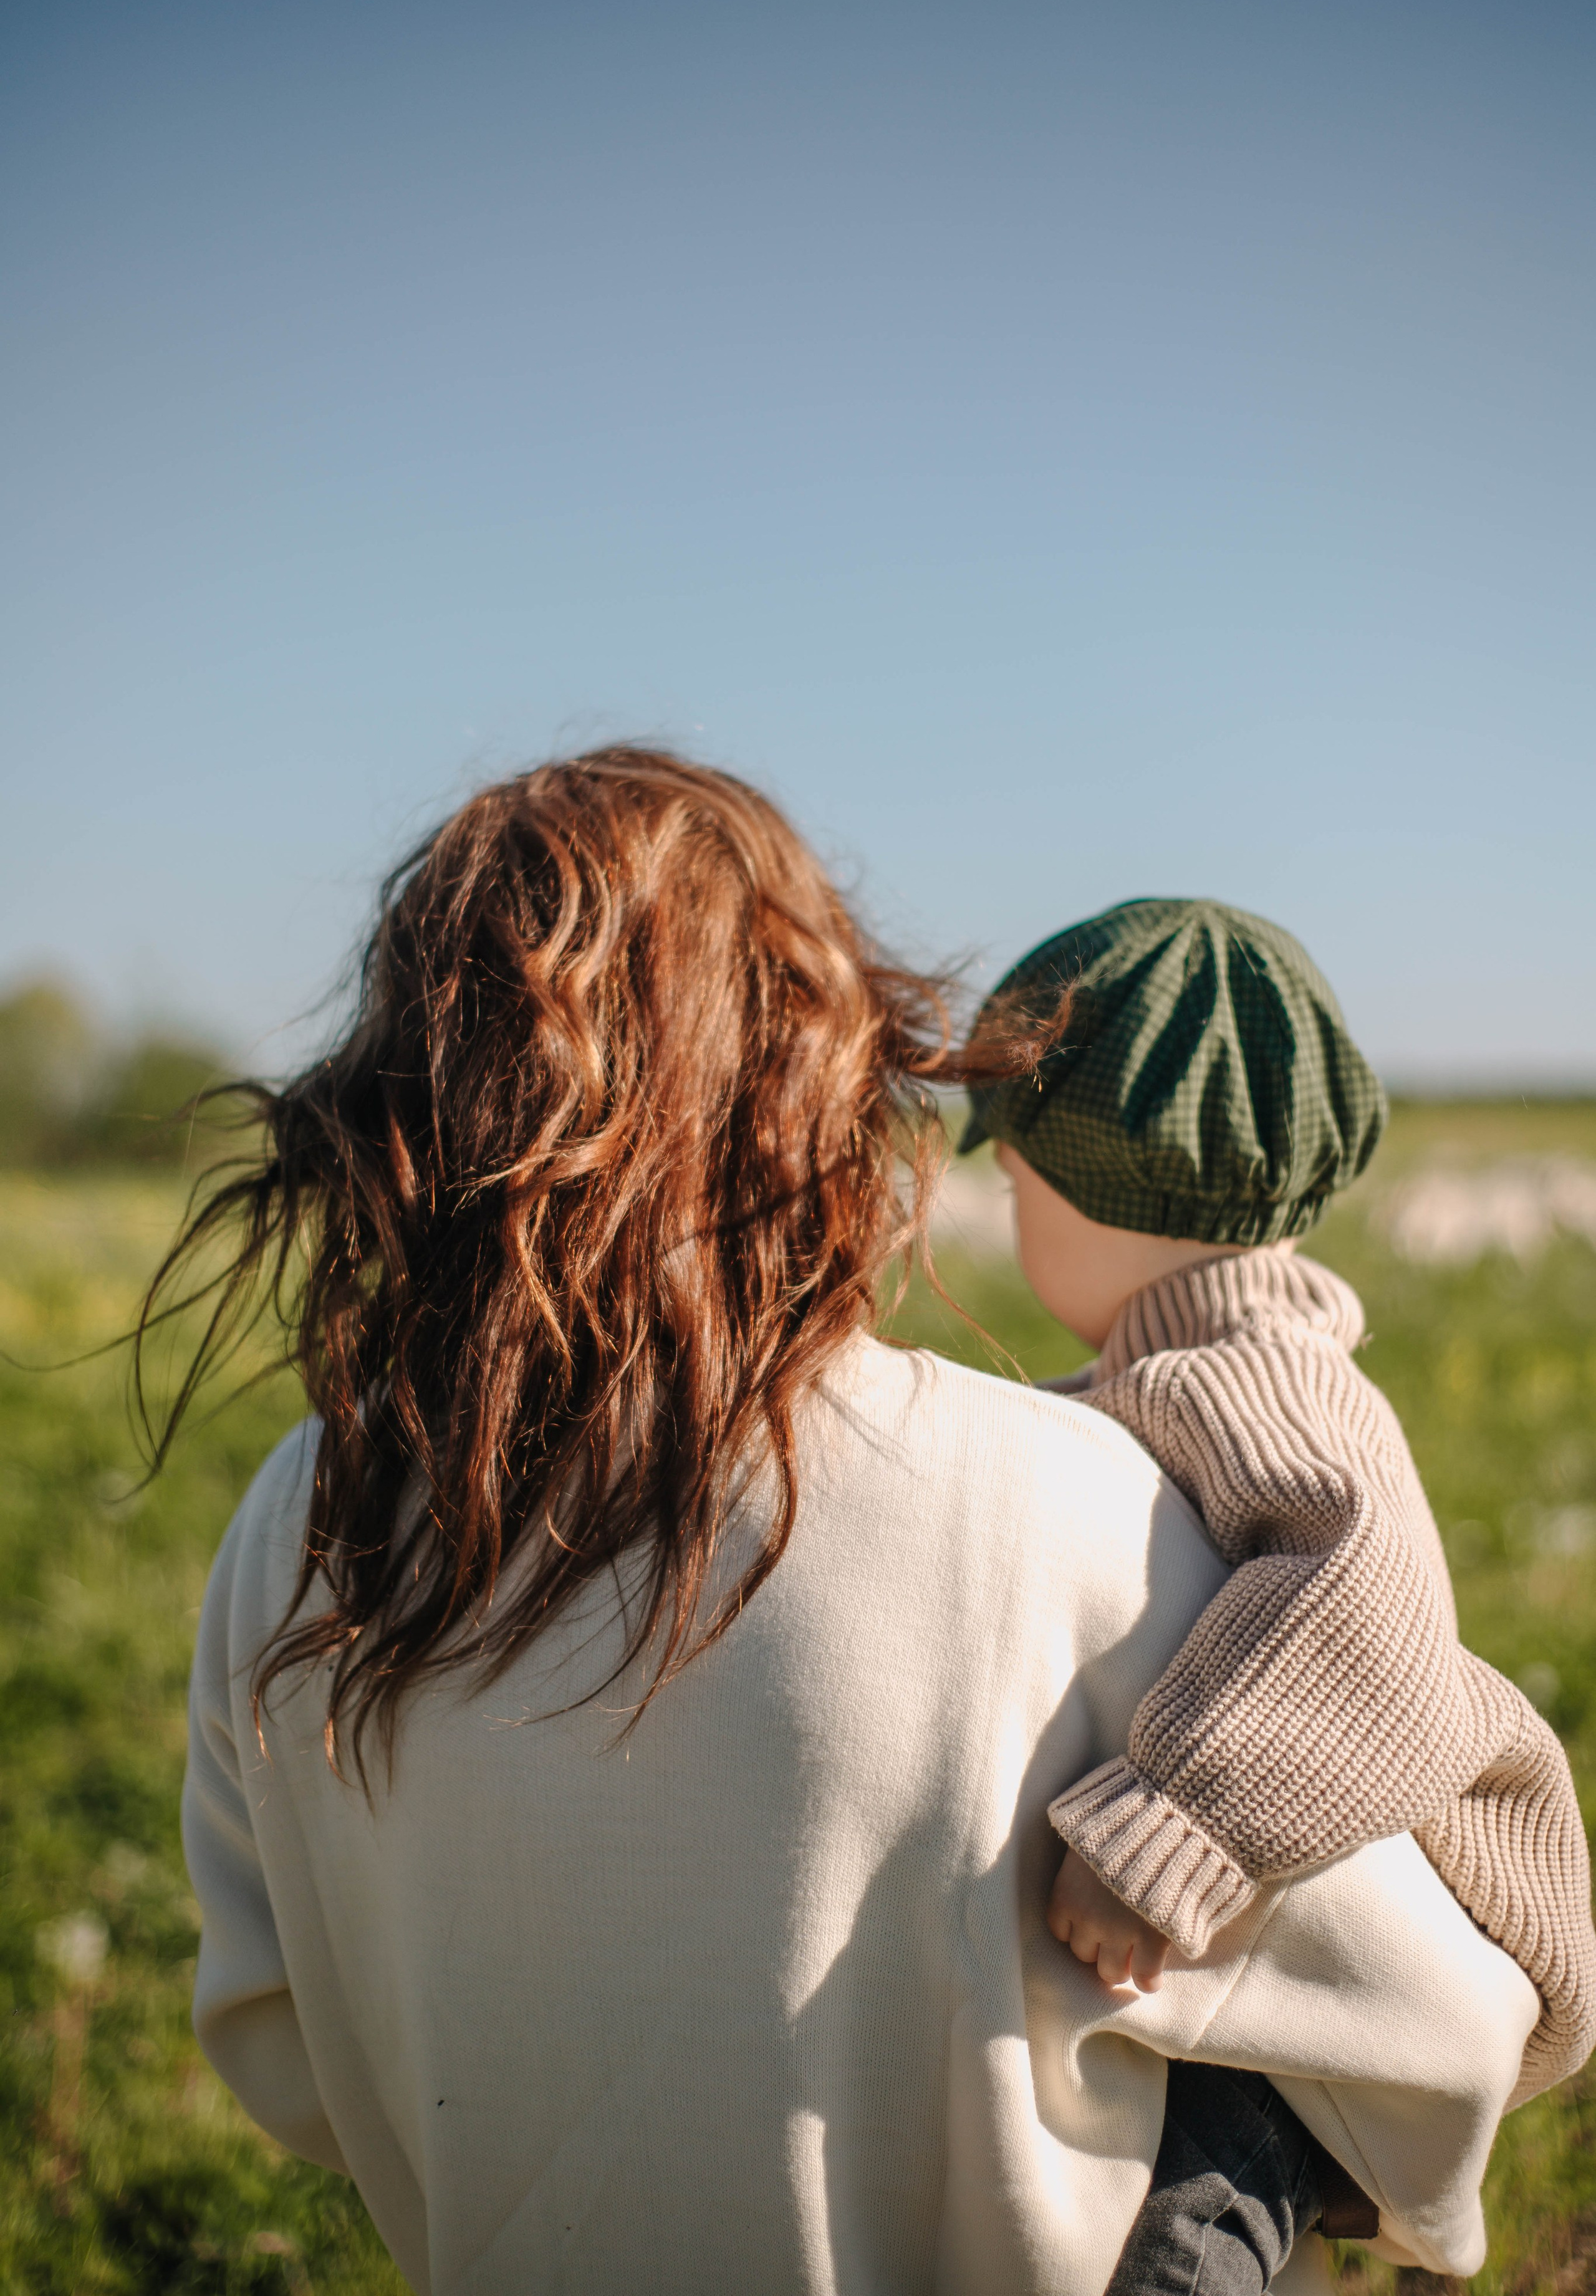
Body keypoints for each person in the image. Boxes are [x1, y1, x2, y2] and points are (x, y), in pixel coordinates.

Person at [168, 755, 1536, 2296]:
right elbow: (1438, 2028)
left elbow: (284, 2052)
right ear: (811, 1070)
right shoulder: (1061, 1500)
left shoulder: (305, 1515)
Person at [959, 898, 1596, 2289]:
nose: (1009, 1219)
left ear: (1090, 1188)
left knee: (1181, 2224)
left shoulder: (1246, 1373)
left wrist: (1168, 1830)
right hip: (1299, 1903)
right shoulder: (1194, 1361)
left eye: (1012, 1185)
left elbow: (1363, 1604)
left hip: (1359, 1918)